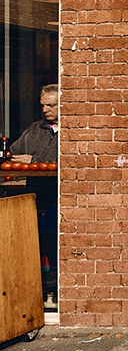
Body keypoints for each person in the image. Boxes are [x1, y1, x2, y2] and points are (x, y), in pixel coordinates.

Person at [10, 83, 59, 302]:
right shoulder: (34, 130)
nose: (45, 110)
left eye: (50, 105)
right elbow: (14, 153)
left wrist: (36, 160)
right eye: (43, 105)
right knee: (31, 243)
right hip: (35, 196)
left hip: (58, 198)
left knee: (51, 236)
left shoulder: (74, 132)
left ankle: (56, 289)